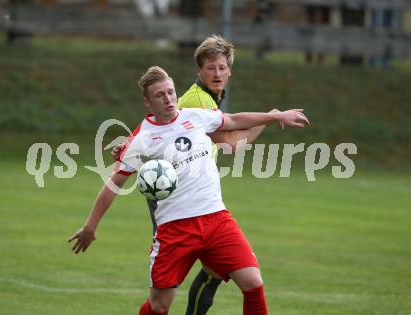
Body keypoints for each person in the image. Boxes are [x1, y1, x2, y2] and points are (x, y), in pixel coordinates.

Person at [69, 66, 309, 315]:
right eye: (160, 95)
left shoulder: (195, 116)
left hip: (217, 219)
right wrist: (90, 226)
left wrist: (275, 116)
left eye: (171, 92)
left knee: (253, 282)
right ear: (147, 102)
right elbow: (113, 184)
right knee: (159, 306)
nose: (168, 98)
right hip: (175, 228)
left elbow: (234, 120)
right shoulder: (142, 139)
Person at [112, 34, 283, 315]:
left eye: (222, 67)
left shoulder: (207, 97)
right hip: (175, 199)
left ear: (230, 70)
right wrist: (269, 118)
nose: (217, 74)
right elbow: (231, 145)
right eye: (210, 67)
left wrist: (269, 117)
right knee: (169, 295)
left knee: (218, 273)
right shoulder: (197, 101)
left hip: (198, 199)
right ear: (199, 71)